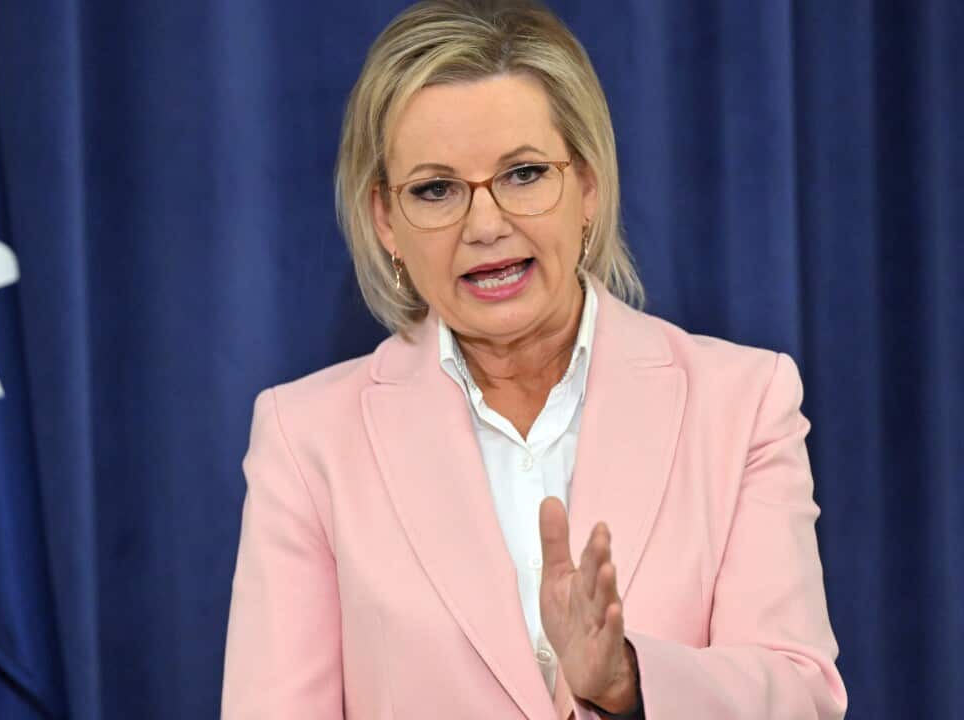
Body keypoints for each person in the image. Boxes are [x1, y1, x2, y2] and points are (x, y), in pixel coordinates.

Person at [222, 1, 848, 717]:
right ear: (385, 221)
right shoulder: (307, 441)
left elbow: (801, 695)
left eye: (522, 174)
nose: (485, 225)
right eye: (436, 189)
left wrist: (627, 683)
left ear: (587, 185)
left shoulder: (743, 402)